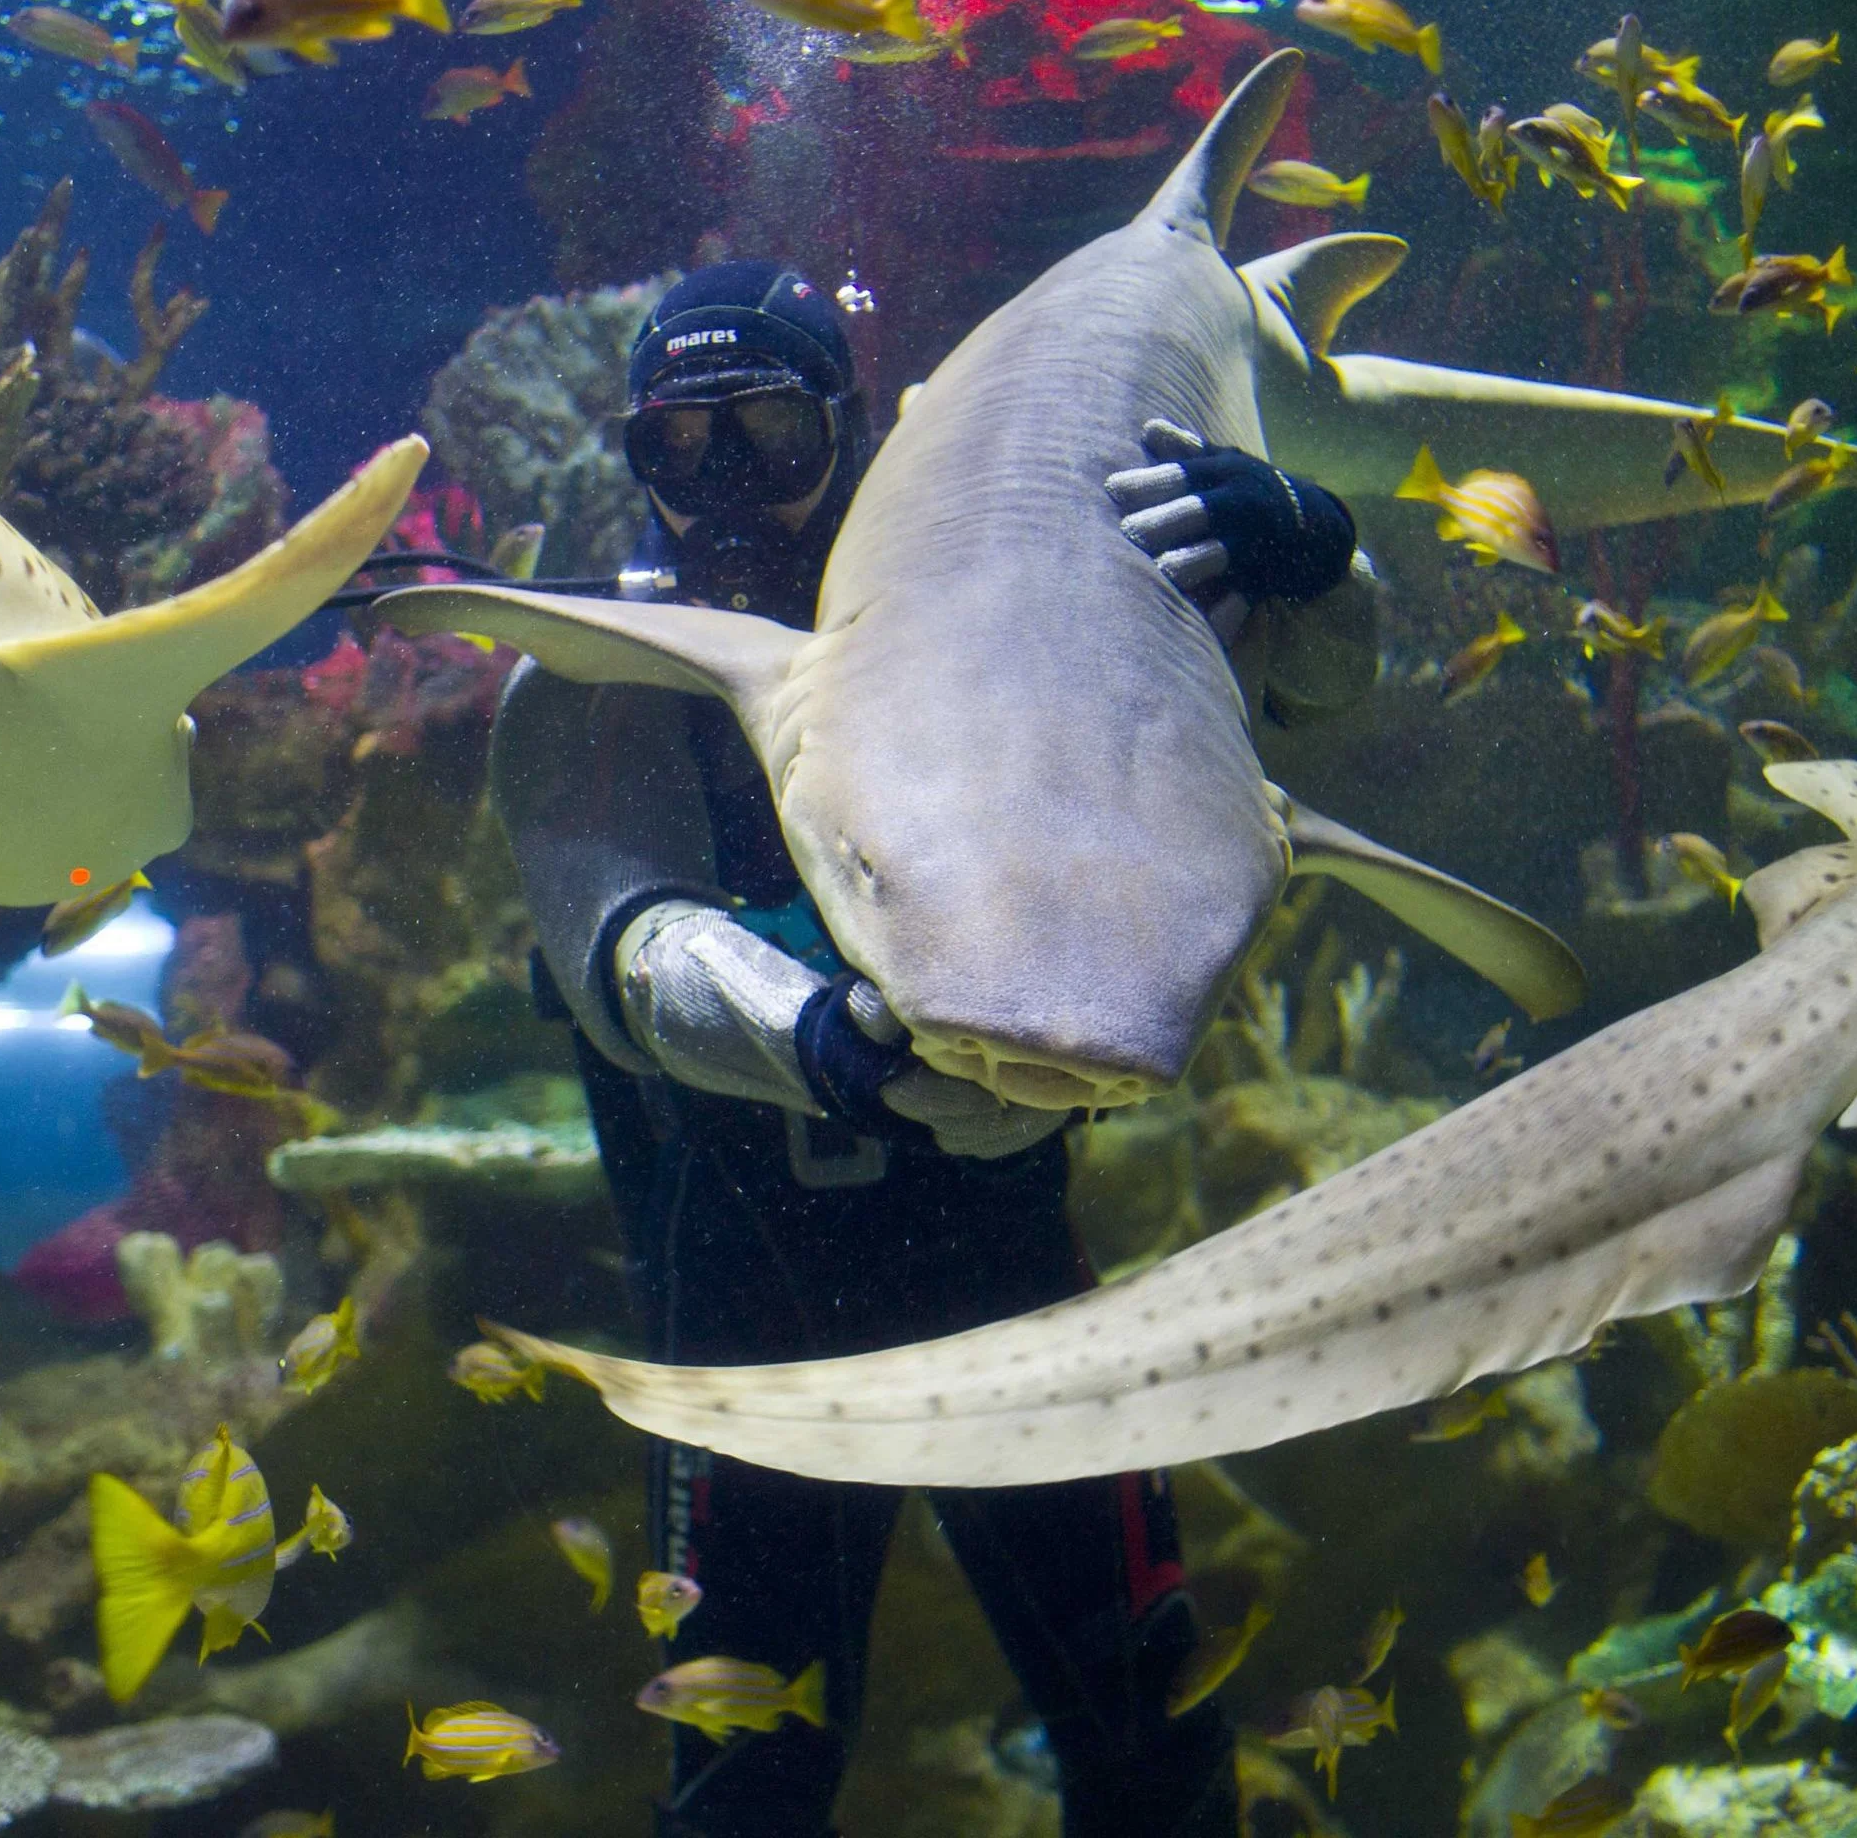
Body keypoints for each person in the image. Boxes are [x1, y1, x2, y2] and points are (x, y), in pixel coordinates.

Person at [487, 261, 1366, 1838]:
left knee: (1156, 1748)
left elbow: (1306, 704)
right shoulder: (593, 678)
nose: (724, 488)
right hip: (746, 1327)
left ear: (855, 429)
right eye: (676, 449)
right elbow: (623, 949)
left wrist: (1308, 562)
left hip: (1005, 1270)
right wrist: (820, 1040)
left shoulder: (1022, 599)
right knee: (748, 1780)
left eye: (768, 433)